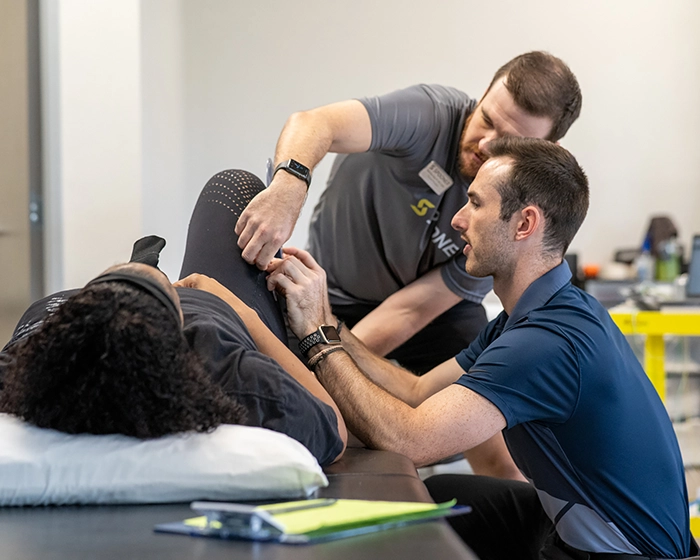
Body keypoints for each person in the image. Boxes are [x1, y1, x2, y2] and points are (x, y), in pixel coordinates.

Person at [266, 137, 695, 559]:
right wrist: (328, 322)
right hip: (576, 527)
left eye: (475, 203)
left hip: (625, 555)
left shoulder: (545, 342)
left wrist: (316, 340)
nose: (457, 218)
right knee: (440, 495)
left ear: (524, 224)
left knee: (416, 533)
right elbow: (418, 392)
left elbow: (409, 440)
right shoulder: (535, 312)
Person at [0, 170, 346, 467]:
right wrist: (245, 314)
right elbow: (334, 427)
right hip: (212, 304)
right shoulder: (228, 370)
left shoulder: (21, 366)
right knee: (233, 185)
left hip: (124, 319)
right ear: (179, 331)